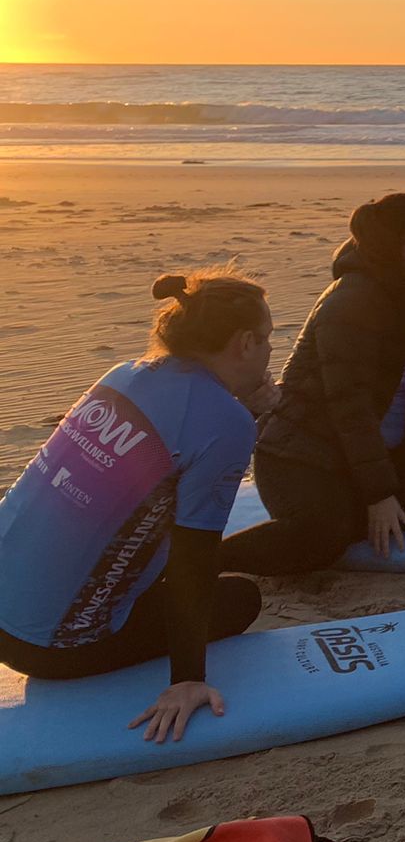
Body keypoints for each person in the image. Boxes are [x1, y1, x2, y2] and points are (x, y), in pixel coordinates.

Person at [0, 269, 274, 743]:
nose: (272, 351)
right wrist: (187, 678)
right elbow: (194, 559)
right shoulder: (226, 422)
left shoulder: (124, 374)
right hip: (50, 648)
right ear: (245, 343)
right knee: (238, 599)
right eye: (268, 338)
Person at [221, 194, 405, 574]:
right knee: (324, 536)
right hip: (304, 457)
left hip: (377, 456)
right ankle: (211, 562)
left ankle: (346, 516)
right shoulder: (352, 301)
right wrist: (379, 494)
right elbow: (349, 404)